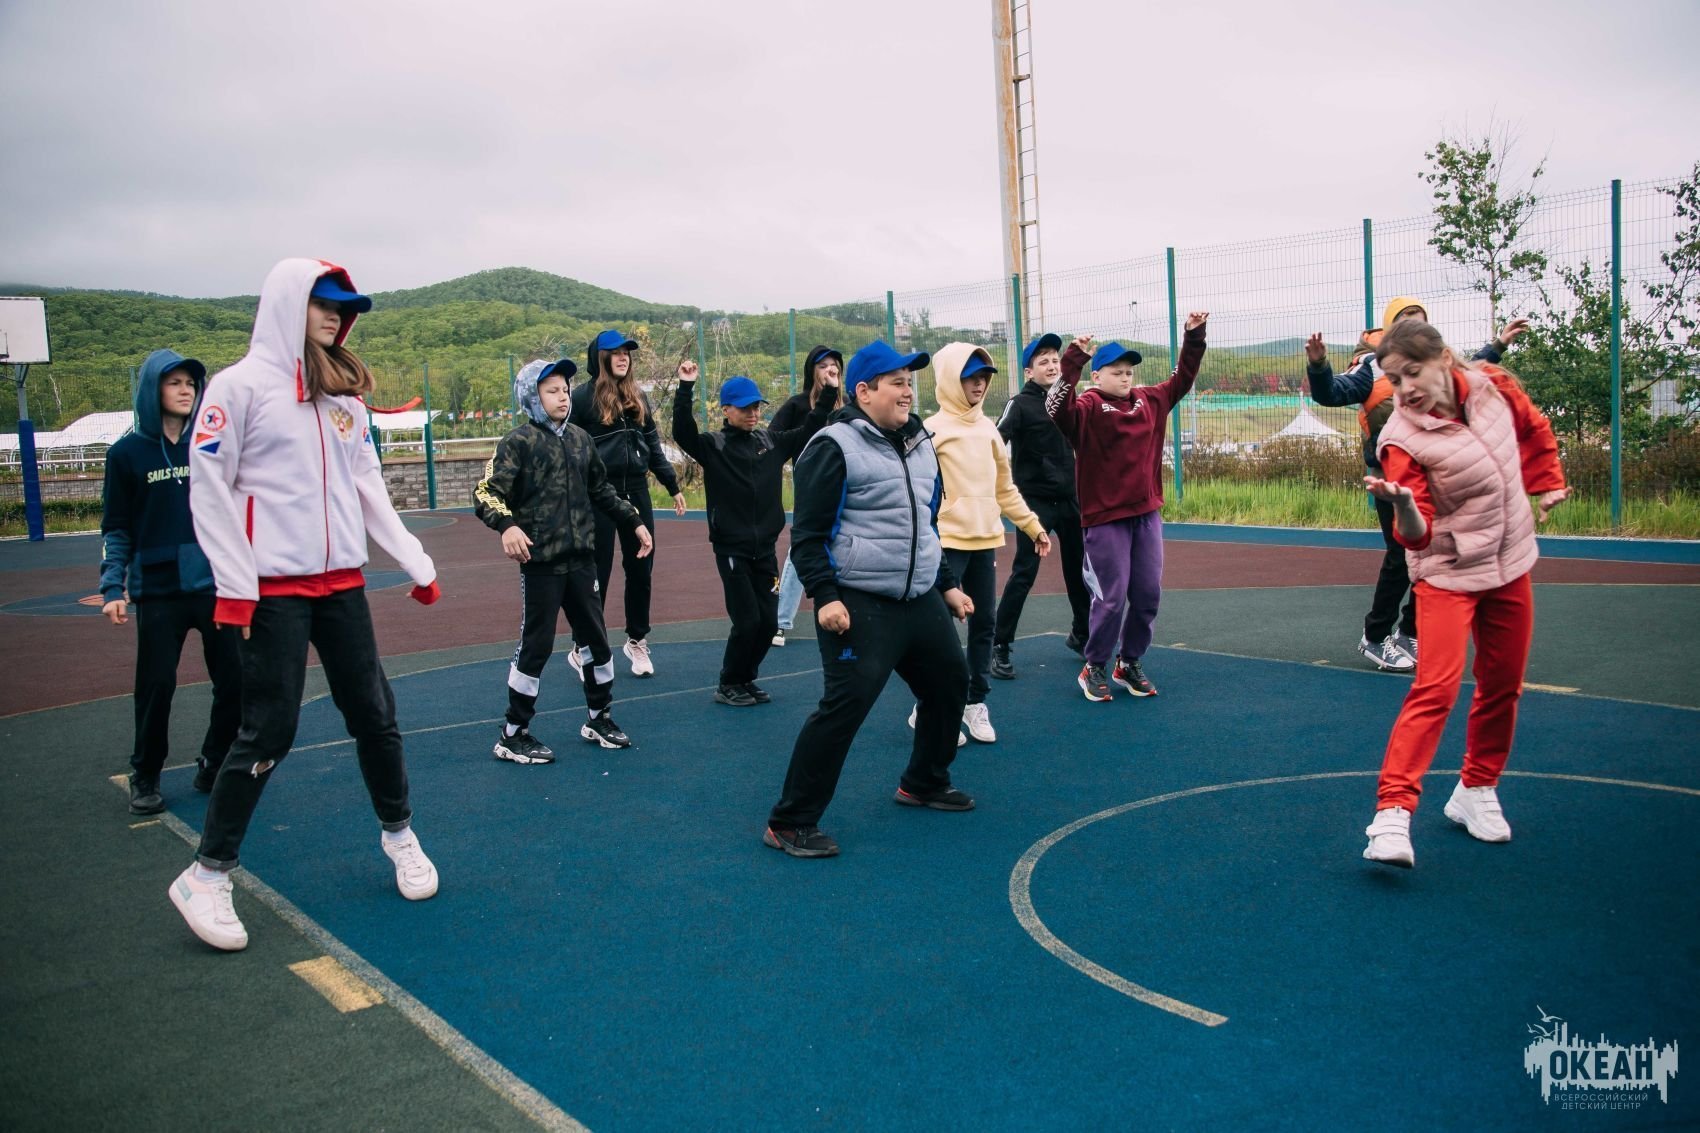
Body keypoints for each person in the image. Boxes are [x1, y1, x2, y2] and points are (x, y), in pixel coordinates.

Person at [175, 259, 443, 952]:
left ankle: (400, 835)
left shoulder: (343, 399)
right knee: (269, 729)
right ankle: (207, 874)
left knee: (375, 713)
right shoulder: (237, 389)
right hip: (272, 590)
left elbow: (367, 487)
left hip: (342, 584)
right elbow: (208, 487)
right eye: (323, 302)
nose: (334, 315)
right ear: (289, 304)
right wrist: (236, 584)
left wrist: (414, 560)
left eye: (343, 307)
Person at [1359, 319, 1566, 869]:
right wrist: (1404, 505)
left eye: (1412, 373)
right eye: (1395, 380)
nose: (1405, 389)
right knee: (1436, 687)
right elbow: (1416, 536)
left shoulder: (1494, 385)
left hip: (1509, 561)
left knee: (1503, 684)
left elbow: (1534, 428)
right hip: (1447, 570)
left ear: (1444, 359)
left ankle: (1476, 789)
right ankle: (1391, 816)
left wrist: (1547, 481)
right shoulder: (1400, 439)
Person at [764, 340, 975, 858]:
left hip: (918, 596)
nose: (908, 392)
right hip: (858, 601)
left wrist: (946, 583)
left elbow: (924, 526)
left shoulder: (921, 441)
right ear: (864, 391)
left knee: (950, 683)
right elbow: (807, 537)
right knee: (846, 706)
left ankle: (923, 782)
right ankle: (790, 821)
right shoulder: (832, 446)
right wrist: (825, 596)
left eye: (910, 382)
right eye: (897, 382)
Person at [1305, 296, 1531, 671]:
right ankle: (1375, 636)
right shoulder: (1372, 366)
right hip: (1391, 477)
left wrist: (1499, 344)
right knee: (1401, 555)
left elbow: (1469, 370)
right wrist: (1318, 366)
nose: (1414, 324)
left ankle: (1408, 631)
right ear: (1390, 326)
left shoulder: (1433, 362)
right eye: (1406, 318)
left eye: (1420, 319)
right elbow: (1331, 393)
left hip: (1433, 473)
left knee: (1434, 556)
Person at [476, 358, 651, 760]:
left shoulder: (580, 439)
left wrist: (634, 521)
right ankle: (513, 733)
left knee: (597, 642)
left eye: (566, 389)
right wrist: (507, 526)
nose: (563, 397)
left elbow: (601, 490)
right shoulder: (517, 443)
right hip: (542, 565)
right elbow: (486, 492)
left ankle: (599, 718)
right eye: (552, 390)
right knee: (536, 646)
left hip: (582, 561)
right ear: (531, 397)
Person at [99, 348, 242, 815]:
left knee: (236, 680)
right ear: (151, 390)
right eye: (174, 382)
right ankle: (145, 773)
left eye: (190, 384)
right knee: (156, 685)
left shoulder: (210, 447)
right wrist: (112, 587)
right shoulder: (125, 455)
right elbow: (116, 528)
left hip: (214, 585)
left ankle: (214, 760)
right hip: (158, 591)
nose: (186, 391)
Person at [1047, 316, 1208, 702]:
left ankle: (1129, 661)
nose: (1124, 377)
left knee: (1148, 594)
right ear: (1097, 376)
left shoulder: (1150, 400)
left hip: (1146, 515)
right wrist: (1073, 360)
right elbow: (1056, 408)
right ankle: (1095, 665)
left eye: (1129, 371)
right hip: (1105, 520)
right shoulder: (1087, 407)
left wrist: (1193, 337)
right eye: (1116, 371)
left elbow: (1183, 378)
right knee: (1111, 597)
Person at [673, 365, 829, 705]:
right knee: (747, 622)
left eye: (757, 407)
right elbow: (682, 432)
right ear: (726, 410)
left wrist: (829, 392)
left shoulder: (770, 442)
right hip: (733, 549)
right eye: (745, 408)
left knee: (768, 622)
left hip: (765, 549)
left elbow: (811, 428)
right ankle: (729, 682)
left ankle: (745, 679)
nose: (753, 413)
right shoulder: (714, 445)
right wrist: (685, 387)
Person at [923, 342, 1049, 743]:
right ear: (950, 380)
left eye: (983, 378)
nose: (978, 385)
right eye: (970, 378)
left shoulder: (988, 430)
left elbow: (1004, 488)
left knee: (985, 624)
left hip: (984, 540)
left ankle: (975, 702)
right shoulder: (931, 430)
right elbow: (918, 490)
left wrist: (1031, 525)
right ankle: (932, 706)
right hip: (946, 542)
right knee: (940, 630)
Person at [568, 329, 686, 678]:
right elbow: (569, 449)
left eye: (627, 353)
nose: (623, 358)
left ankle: (637, 640)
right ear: (600, 358)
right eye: (616, 352)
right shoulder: (582, 398)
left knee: (640, 570)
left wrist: (672, 485)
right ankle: (584, 645)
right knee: (597, 572)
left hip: (636, 490)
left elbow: (653, 446)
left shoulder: (638, 397)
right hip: (599, 495)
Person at [991, 332, 1093, 678]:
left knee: (1080, 571)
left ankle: (1082, 634)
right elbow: (995, 442)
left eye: (1054, 360)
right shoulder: (1020, 404)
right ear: (1028, 371)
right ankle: (1000, 644)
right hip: (1034, 504)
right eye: (1043, 361)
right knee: (1024, 572)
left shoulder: (1069, 400)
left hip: (1070, 500)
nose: (1051, 365)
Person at [768, 345, 842, 647]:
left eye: (834, 365)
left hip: (846, 485)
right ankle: (780, 621)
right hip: (811, 486)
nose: (830, 370)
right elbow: (772, 439)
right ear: (812, 371)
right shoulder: (798, 405)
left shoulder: (848, 406)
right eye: (823, 366)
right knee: (802, 547)